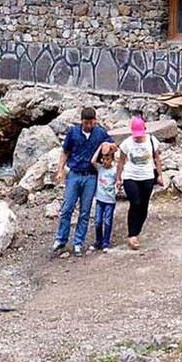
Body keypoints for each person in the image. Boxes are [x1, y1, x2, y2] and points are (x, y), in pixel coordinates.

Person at [53, 106, 111, 257]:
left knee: (85, 212)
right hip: (74, 174)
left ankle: (78, 242)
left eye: (91, 123)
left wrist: (107, 146)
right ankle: (61, 239)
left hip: (91, 176)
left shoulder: (100, 133)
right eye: (86, 123)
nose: (89, 126)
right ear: (81, 121)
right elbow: (65, 152)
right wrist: (60, 170)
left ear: (95, 121)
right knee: (67, 207)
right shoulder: (73, 132)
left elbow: (112, 145)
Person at [117, 115, 163, 250]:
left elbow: (157, 159)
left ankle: (137, 232)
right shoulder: (126, 143)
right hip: (130, 176)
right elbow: (121, 161)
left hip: (147, 176)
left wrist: (160, 175)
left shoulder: (152, 141)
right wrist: (118, 178)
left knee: (143, 205)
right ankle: (132, 234)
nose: (137, 137)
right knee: (135, 202)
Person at [92, 141, 120, 252]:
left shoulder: (114, 170)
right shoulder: (100, 168)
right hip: (100, 199)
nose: (105, 161)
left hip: (110, 200)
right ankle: (98, 240)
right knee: (98, 221)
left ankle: (106, 242)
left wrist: (113, 149)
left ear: (111, 159)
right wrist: (100, 147)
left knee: (107, 221)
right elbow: (93, 161)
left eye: (107, 159)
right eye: (103, 159)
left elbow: (118, 178)